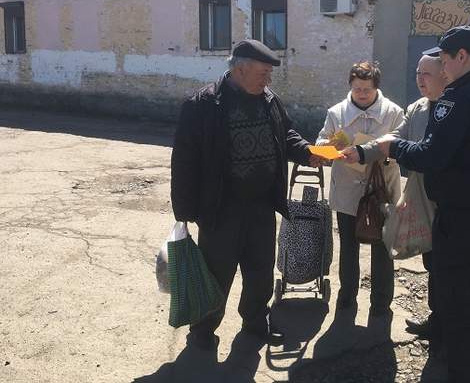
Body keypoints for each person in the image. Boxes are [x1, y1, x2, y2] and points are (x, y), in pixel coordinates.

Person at [356, 26, 470, 383]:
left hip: (463, 215)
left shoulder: (458, 97)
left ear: (462, 57)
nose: (441, 70)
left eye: (444, 61)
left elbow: (431, 156)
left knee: (461, 307)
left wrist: (392, 148)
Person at [170, 39, 321, 352]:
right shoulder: (203, 105)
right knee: (217, 274)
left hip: (261, 206)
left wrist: (307, 152)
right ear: (240, 69)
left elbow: (287, 133)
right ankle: (202, 331)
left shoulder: (269, 100)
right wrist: (184, 213)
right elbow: (184, 161)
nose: (268, 80)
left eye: (269, 74)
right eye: (263, 73)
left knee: (260, 272)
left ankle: (255, 322)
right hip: (221, 208)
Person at [343, 55, 447, 340]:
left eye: (427, 73)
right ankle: (438, 320)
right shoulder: (417, 109)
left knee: (451, 264)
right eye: (418, 72)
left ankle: (453, 330)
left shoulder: (456, 108)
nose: (420, 79)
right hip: (423, 194)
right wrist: (362, 152)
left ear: (445, 75)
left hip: (454, 201)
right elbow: (394, 140)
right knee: (431, 260)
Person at [316, 61, 404, 316]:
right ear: (350, 87)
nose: (362, 94)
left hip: (382, 189)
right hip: (347, 191)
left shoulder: (393, 112)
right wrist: (329, 146)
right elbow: (322, 139)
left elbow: (402, 145)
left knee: (383, 248)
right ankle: (347, 297)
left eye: (366, 89)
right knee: (349, 246)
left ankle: (381, 303)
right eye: (357, 89)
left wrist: (374, 154)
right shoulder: (336, 113)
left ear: (377, 87)